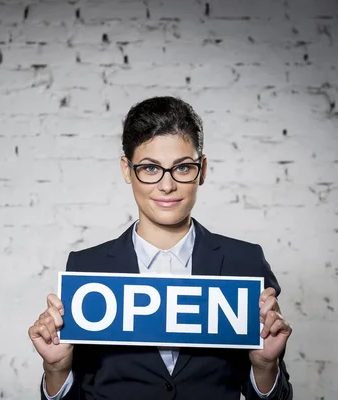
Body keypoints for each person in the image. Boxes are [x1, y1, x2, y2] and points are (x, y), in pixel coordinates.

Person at [28, 96, 293, 400]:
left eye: (182, 168)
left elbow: (279, 395)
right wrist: (57, 371)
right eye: (151, 169)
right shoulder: (87, 269)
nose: (167, 186)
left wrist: (265, 366)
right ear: (127, 170)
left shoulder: (244, 263)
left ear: (202, 170)